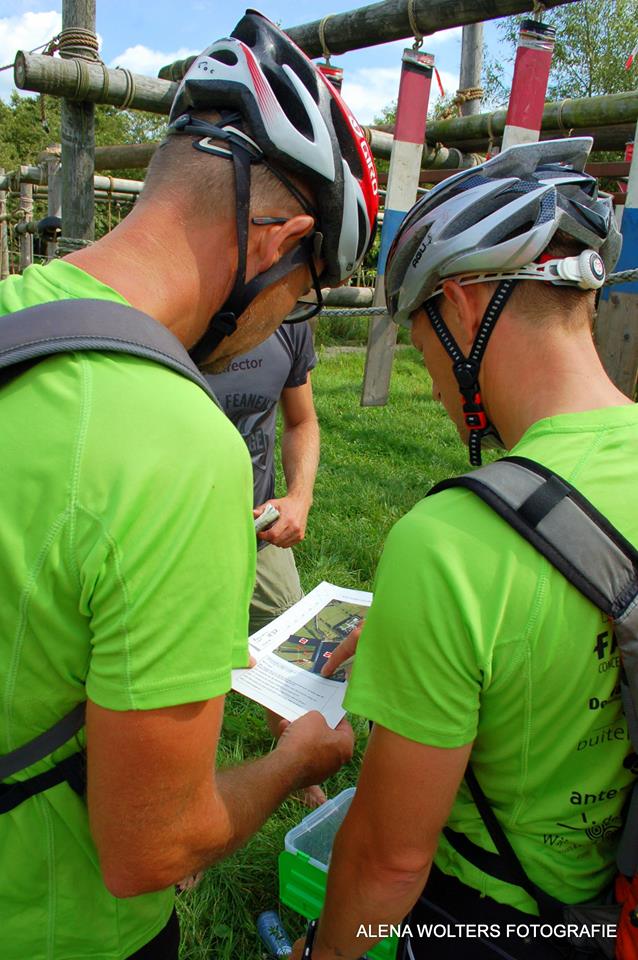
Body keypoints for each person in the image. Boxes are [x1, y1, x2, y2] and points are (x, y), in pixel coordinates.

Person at [0, 11, 377, 960]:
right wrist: (291, 760)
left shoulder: (13, 318)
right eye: (304, 294)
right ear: (280, 242)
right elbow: (153, 849)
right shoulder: (181, 448)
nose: (283, 321)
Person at [290, 137, 636, 960]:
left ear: (464, 307)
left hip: (492, 923)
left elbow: (389, 860)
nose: (440, 387)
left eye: (422, 348)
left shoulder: (449, 544)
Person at [206, 320, 318, 637]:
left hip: (258, 535)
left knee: (293, 646)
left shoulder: (290, 322)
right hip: (175, 541)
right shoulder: (170, 322)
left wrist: (300, 498)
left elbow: (302, 421)